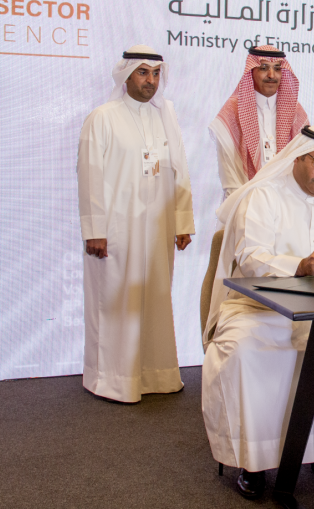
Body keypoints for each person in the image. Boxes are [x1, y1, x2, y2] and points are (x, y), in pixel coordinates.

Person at [202, 125, 314, 500]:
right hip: (257, 308)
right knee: (245, 351)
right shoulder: (262, 197)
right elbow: (250, 258)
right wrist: (299, 266)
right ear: (298, 157)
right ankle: (252, 462)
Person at [77, 45, 195, 403]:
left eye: (156, 74)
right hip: (117, 229)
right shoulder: (103, 117)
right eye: (143, 72)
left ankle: (156, 375)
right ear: (125, 75)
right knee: (115, 302)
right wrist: (95, 230)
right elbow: (90, 176)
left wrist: (182, 222)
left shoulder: (165, 116)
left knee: (155, 301)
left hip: (157, 228)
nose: (151, 81)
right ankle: (111, 379)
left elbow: (179, 172)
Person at [210, 45, 309, 200]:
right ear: (251, 71)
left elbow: (304, 161)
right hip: (245, 201)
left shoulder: (295, 111)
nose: (271, 75)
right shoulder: (233, 111)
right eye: (264, 68)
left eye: (277, 69)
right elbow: (230, 174)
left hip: (287, 202)